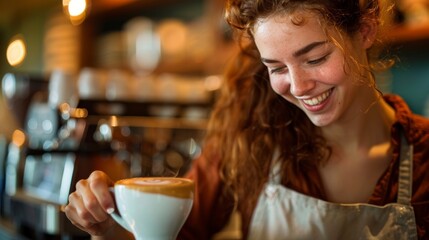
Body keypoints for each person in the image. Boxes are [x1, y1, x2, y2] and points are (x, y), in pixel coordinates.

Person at [64, 0, 429, 239]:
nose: (299, 86)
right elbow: (174, 234)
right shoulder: (252, 136)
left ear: (365, 28)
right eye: (276, 67)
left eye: (315, 58)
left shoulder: (424, 155)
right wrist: (106, 229)